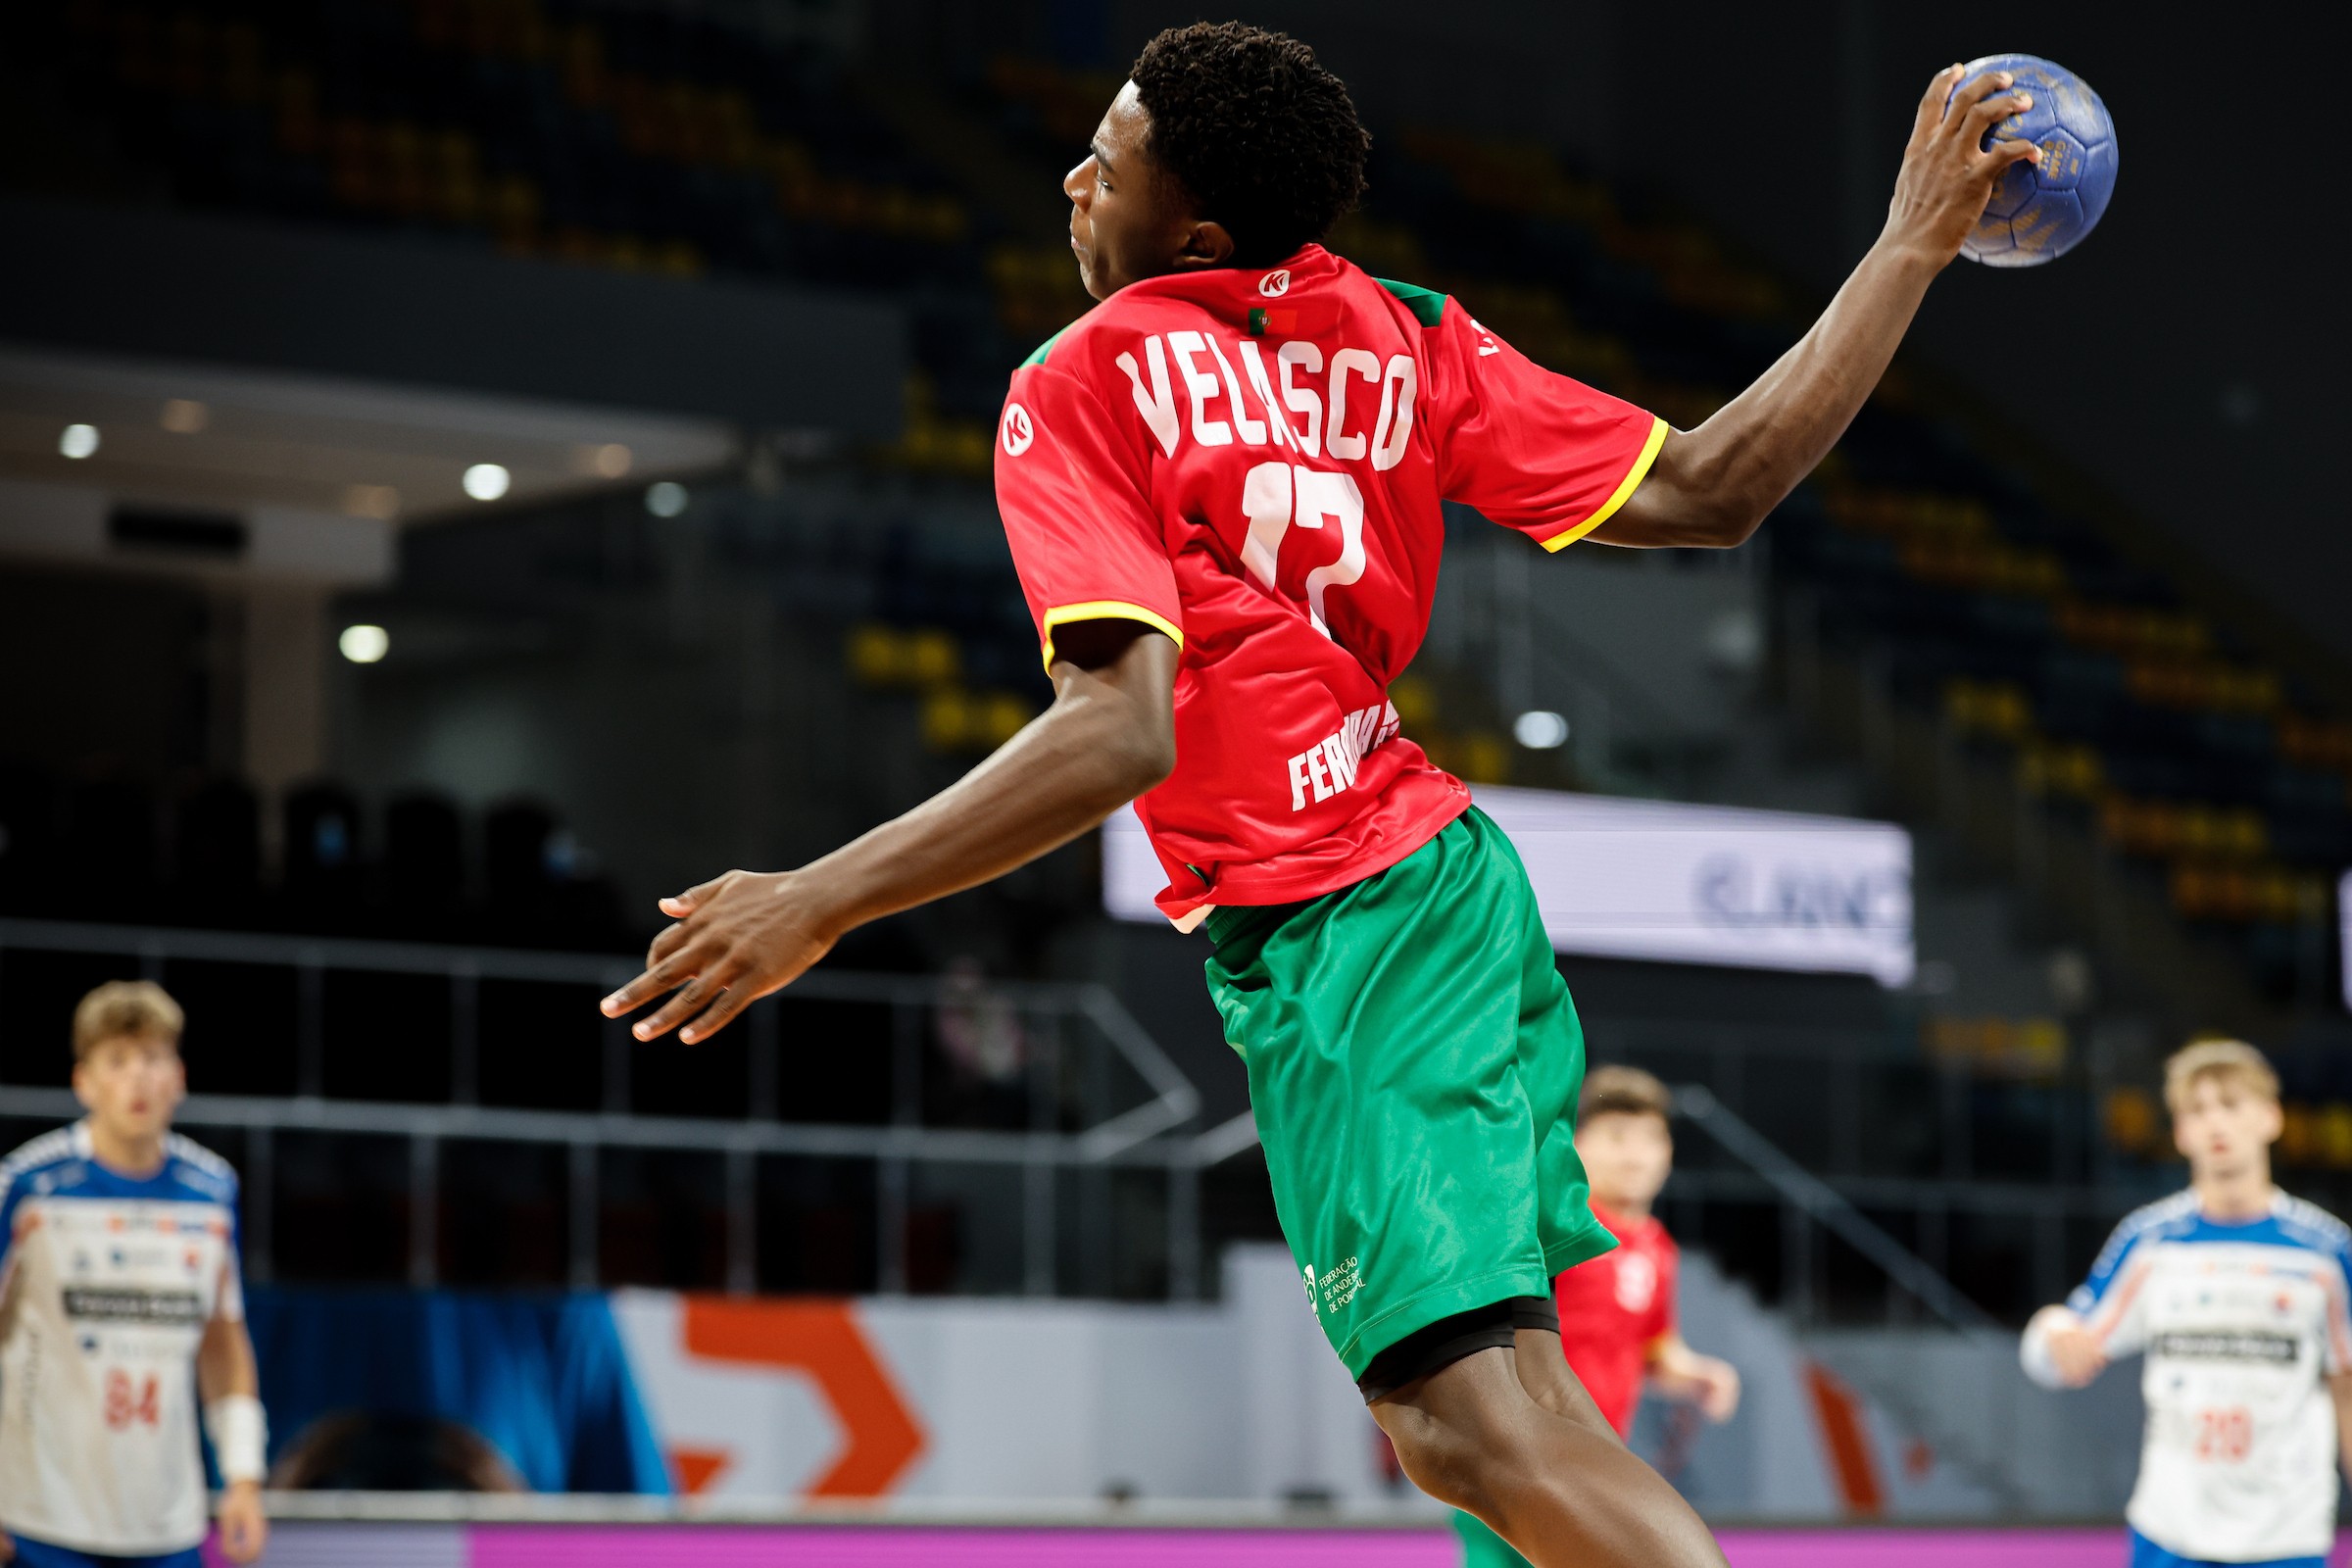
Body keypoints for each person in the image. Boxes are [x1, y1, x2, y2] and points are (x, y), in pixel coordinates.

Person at [601, 24, 2043, 1564]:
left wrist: (818, 898)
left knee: (1463, 1427)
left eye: (1109, 160)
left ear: (1193, 234)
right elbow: (1711, 485)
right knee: (1521, 1410)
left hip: (1344, 922)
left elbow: (1118, 736)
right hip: (1449, 890)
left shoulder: (1080, 380)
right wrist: (1907, 248)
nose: (1073, 180)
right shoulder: (1400, 332)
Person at [2023, 1040, 2352, 1568]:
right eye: (2197, 1110)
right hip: (2170, 1532)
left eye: (2231, 1104)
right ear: (2180, 1131)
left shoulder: (2326, 1251)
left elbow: (2347, 1387)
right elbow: (2060, 1344)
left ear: (2271, 1118)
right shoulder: (2149, 1242)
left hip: (2287, 1535)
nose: (2215, 1123)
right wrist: (2052, 1332)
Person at [0, 983, 267, 1568]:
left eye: (152, 1058)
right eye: (117, 1061)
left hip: (166, 1522)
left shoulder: (212, 1191)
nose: (138, 1078)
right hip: (42, 1516)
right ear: (84, 1082)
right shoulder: (27, 1187)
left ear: (180, 1077)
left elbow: (223, 1345)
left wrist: (243, 1477)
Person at [1453, 1065, 1740, 1567]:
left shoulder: (1658, 1249)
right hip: (1515, 1458)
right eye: (1618, 1137)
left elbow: (1654, 1351)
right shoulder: (1547, 1226)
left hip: (1594, 1471)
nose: (1636, 1155)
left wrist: (1700, 1374)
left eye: (1651, 1139)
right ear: (1579, 1142)